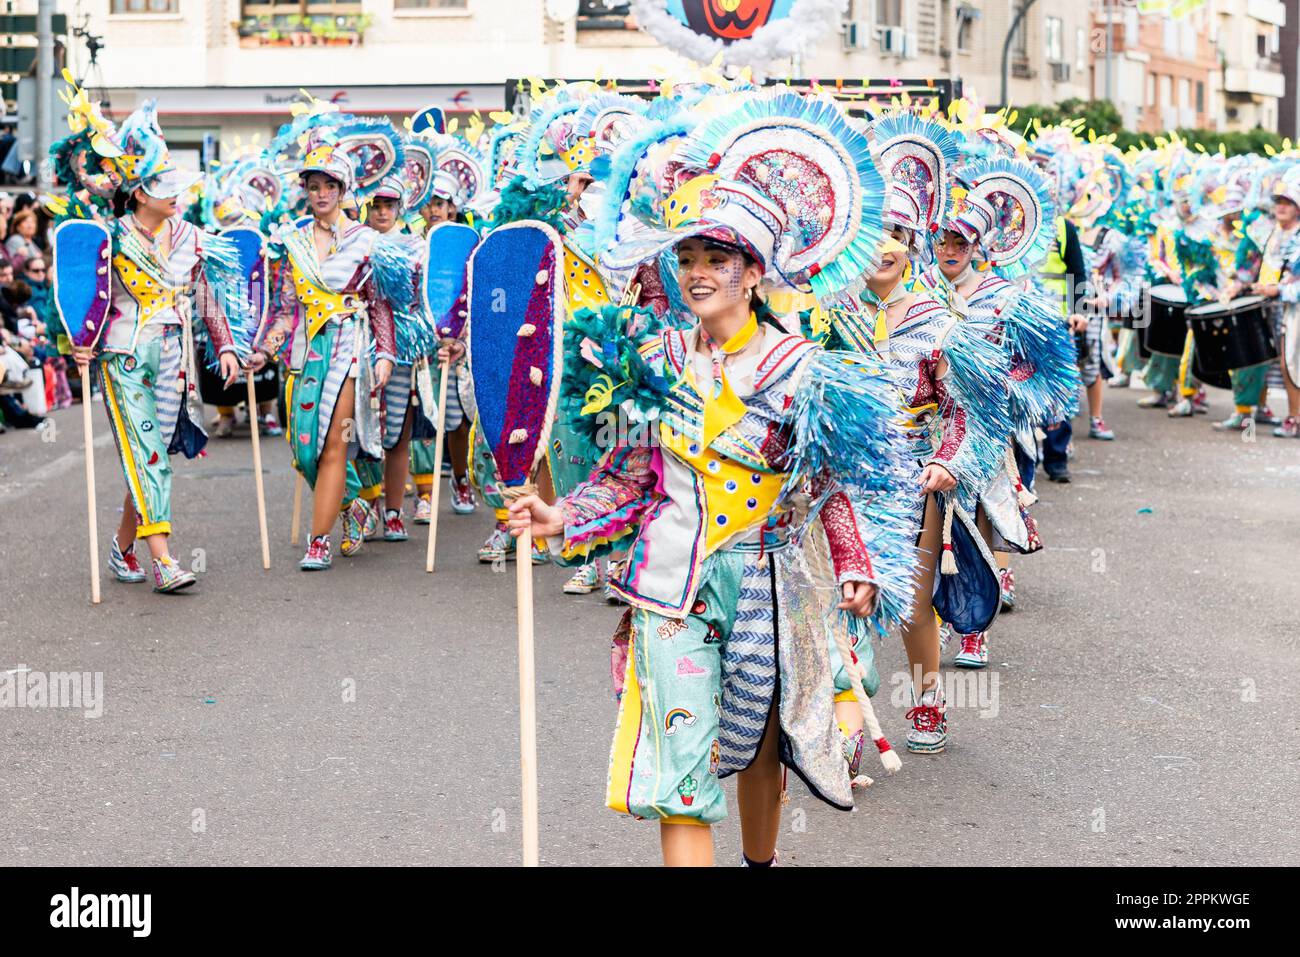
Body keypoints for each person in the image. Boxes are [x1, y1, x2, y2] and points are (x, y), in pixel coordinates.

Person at [52, 97, 252, 593]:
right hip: (122, 357)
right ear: (140, 193)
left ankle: (123, 548)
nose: (177, 197)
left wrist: (225, 346)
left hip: (173, 358)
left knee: (150, 454)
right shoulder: (111, 238)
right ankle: (163, 559)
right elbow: (84, 295)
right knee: (148, 456)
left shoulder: (190, 236)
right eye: (165, 188)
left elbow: (207, 295)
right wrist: (78, 344)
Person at [250, 130, 419, 571]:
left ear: (344, 191)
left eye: (329, 186)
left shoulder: (367, 240)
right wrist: (264, 351)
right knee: (302, 448)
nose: (321, 194)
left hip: (350, 348)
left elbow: (381, 302)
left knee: (332, 445)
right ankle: (354, 503)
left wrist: (385, 353)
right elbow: (287, 308)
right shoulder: (293, 240)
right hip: (306, 352)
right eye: (313, 186)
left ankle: (318, 540)